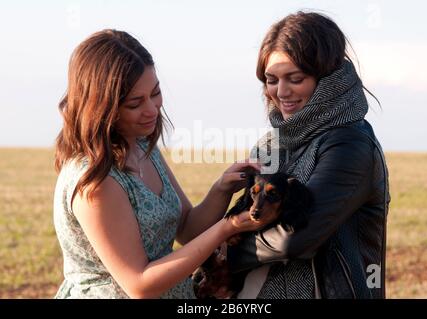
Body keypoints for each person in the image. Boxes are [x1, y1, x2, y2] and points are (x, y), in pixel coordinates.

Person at [53, 29, 270, 299]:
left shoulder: (143, 146)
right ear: (101, 108)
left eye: (155, 93)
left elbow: (189, 229)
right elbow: (140, 285)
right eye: (135, 103)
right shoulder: (95, 180)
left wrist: (222, 188)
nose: (153, 110)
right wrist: (228, 228)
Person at [227, 11, 390, 299]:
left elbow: (294, 238)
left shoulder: (350, 145)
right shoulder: (270, 145)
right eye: (271, 80)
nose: (281, 92)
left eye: (295, 78)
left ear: (329, 79)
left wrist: (220, 248)